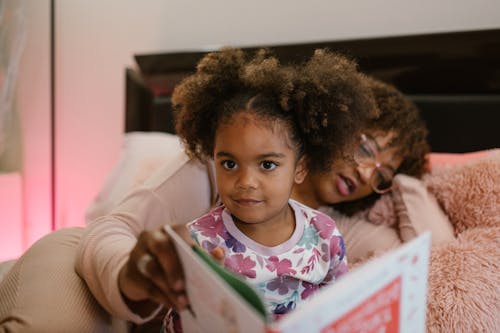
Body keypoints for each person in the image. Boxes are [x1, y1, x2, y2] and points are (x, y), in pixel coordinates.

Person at [0, 48, 428, 332]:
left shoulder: (341, 232)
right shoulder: (218, 160)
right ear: (329, 125)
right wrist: (137, 273)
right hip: (101, 274)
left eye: (384, 172)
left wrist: (409, 183)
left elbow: (440, 258)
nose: (368, 170)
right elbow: (107, 230)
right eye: (366, 145)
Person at [161, 48, 348, 331]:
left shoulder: (325, 234)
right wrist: (203, 298)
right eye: (229, 163)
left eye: (268, 165)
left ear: (300, 168)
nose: (246, 181)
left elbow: (342, 310)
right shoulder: (201, 243)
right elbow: (176, 325)